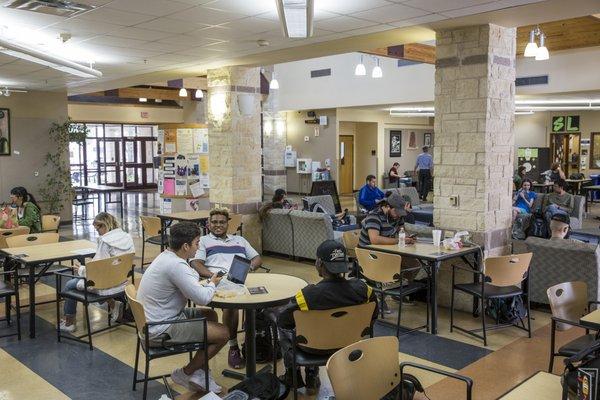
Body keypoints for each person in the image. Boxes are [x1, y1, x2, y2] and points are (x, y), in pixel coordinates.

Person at [276, 240, 378, 394]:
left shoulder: (308, 296)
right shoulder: (364, 290)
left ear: (319, 264)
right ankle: (311, 376)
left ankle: (293, 374)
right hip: (350, 345)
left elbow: (283, 320)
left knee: (285, 330)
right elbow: (372, 317)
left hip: (312, 349)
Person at [137, 222, 228, 393]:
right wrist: (213, 283)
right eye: (197, 243)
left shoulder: (167, 256)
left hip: (155, 321)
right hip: (160, 329)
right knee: (223, 333)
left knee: (209, 316)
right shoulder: (176, 266)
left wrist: (204, 283)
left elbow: (191, 283)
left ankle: (199, 371)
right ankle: (186, 373)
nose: (198, 246)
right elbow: (203, 298)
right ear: (186, 246)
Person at [190, 208, 262, 370]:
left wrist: (249, 268)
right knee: (233, 306)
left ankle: (255, 343)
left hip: (242, 280)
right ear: (208, 224)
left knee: (264, 300)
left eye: (222, 222)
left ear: (228, 223)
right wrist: (213, 277)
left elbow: (257, 258)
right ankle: (233, 345)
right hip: (218, 282)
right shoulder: (203, 241)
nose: (218, 225)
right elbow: (196, 263)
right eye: (214, 222)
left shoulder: (240, 240)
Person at [59, 212, 135, 332]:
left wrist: (81, 269)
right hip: (122, 282)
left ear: (104, 225)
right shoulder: (127, 237)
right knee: (94, 281)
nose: (97, 232)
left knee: (69, 286)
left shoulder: (105, 241)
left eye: (97, 228)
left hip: (105, 283)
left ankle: (69, 323)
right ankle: (114, 304)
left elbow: (98, 271)